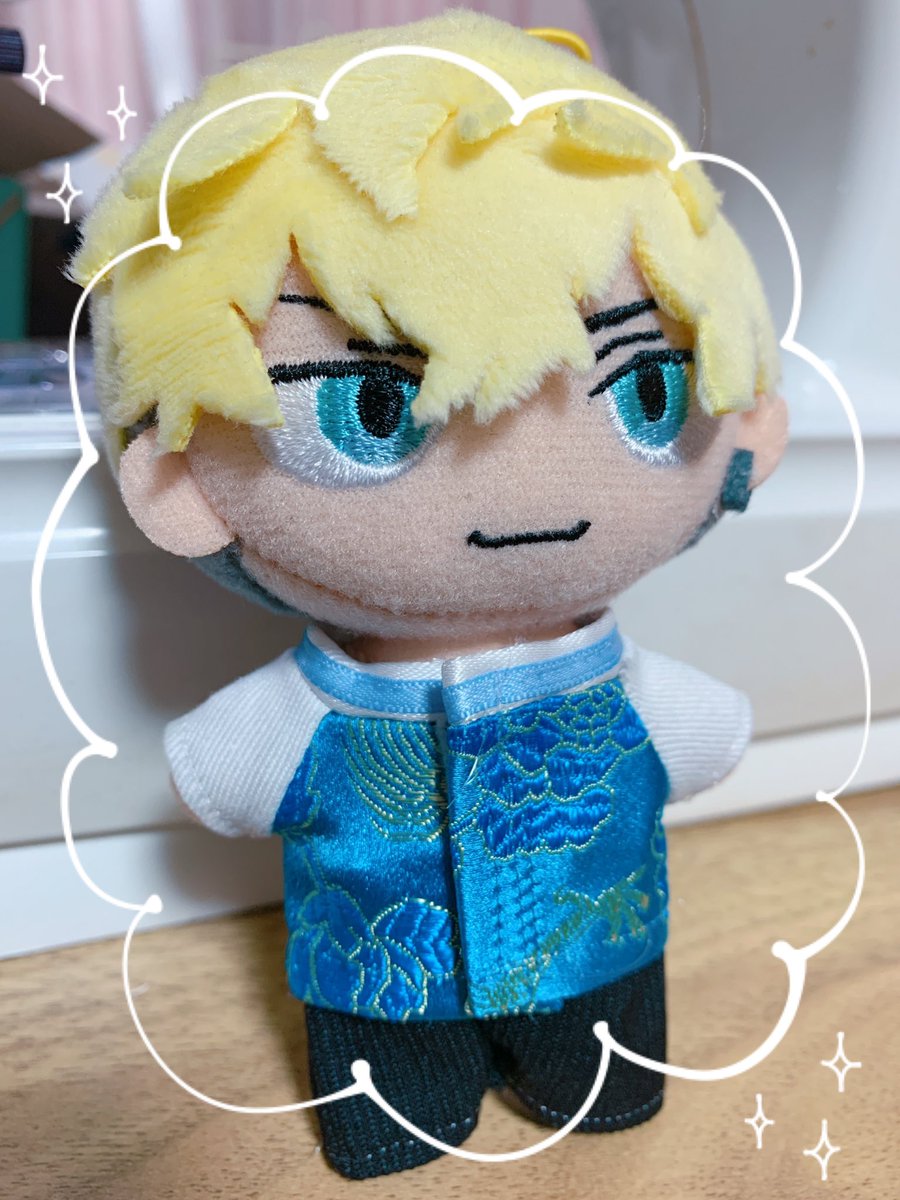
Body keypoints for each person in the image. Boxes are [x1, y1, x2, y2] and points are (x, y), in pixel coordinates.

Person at [70, 9, 787, 1180]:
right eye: (371, 406)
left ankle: (585, 1084)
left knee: (610, 1089)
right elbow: (222, 771)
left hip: (598, 958)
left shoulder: (615, 686)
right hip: (379, 987)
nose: (525, 491)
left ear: (747, 420)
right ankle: (408, 1114)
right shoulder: (321, 708)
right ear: (179, 485)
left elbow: (702, 733)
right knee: (390, 1118)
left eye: (649, 391)